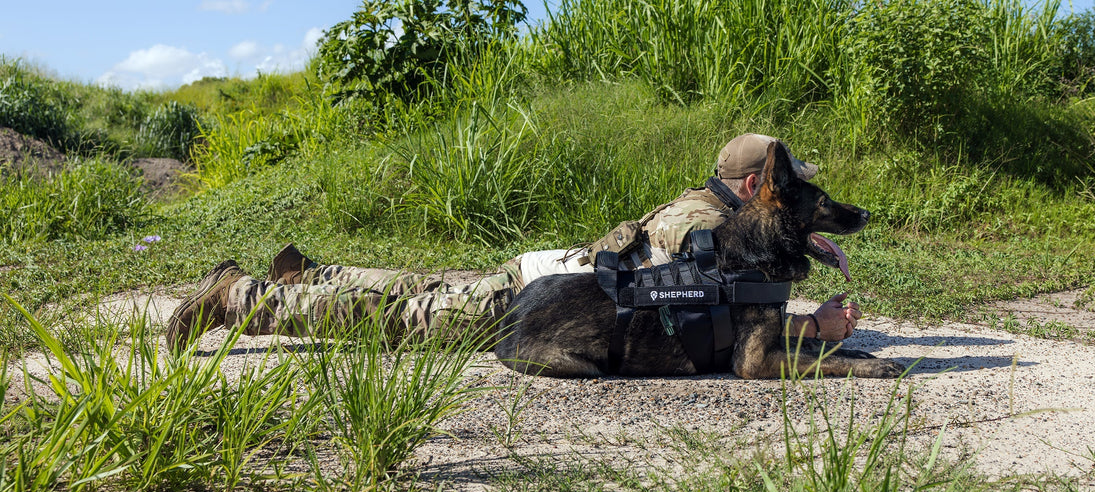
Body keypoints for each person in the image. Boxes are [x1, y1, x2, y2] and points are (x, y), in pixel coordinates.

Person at [165, 134, 862, 350]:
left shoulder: (709, 206)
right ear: (753, 187)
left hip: (546, 276)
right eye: (784, 186)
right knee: (399, 318)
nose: (792, 198)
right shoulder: (700, 224)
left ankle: (307, 276)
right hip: (545, 300)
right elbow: (707, 303)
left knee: (417, 288)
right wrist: (808, 327)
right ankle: (242, 298)